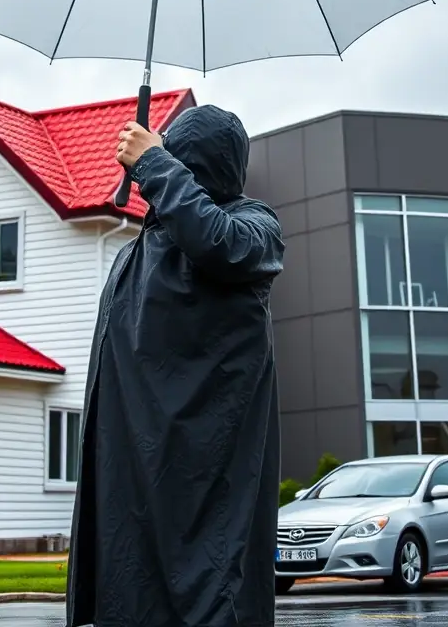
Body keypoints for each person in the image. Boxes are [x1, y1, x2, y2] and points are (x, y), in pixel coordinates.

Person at [67, 105, 285, 627]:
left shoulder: (253, 227)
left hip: (208, 472)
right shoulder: (132, 257)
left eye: (173, 151)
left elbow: (217, 243)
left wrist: (155, 165)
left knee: (212, 594)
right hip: (134, 478)